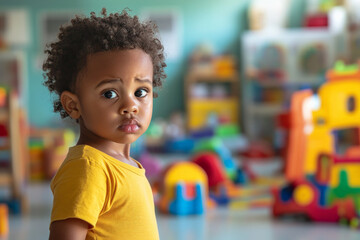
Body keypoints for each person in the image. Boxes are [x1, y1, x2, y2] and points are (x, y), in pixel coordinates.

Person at [43, 8, 166, 240]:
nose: (131, 105)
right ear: (73, 105)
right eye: (109, 94)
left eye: (141, 91)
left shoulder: (127, 164)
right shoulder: (88, 168)